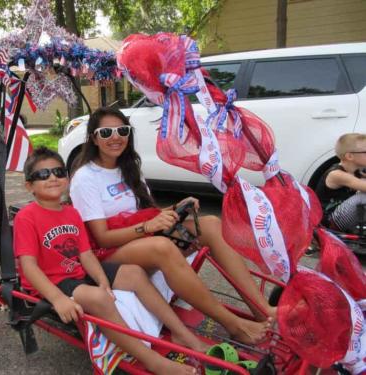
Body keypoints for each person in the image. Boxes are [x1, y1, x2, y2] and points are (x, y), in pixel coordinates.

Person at [69, 107, 274, 345]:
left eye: (121, 130)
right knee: (161, 246)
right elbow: (102, 238)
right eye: (106, 132)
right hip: (105, 253)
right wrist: (147, 227)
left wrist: (176, 208)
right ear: (94, 138)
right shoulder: (85, 177)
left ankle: (262, 309)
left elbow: (143, 214)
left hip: (137, 240)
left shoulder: (130, 167)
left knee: (210, 224)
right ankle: (234, 325)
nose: (115, 137)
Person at [13, 146, 206, 375]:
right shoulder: (27, 217)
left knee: (134, 273)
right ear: (29, 186)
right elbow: (29, 267)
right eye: (42, 175)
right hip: (51, 282)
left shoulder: (72, 213)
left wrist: (103, 279)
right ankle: (153, 361)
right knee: (98, 297)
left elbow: (85, 254)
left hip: (77, 274)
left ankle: (179, 332)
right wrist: (57, 299)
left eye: (58, 172)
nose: (53, 177)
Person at [315, 133, 366, 231]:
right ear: (350, 156)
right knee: (363, 197)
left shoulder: (356, 170)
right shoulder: (336, 174)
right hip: (329, 221)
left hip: (342, 215)